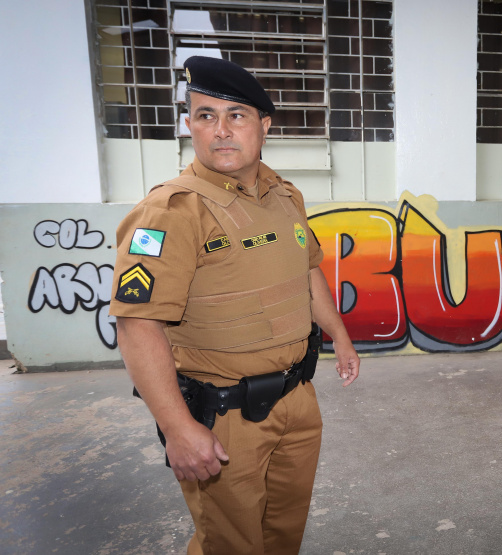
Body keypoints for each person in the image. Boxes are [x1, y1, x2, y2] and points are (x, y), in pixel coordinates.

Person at [110, 55, 360, 555]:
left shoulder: (284, 195)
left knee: (282, 534)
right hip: (223, 416)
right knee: (230, 544)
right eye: (206, 116)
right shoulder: (171, 212)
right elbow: (138, 326)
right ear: (189, 126)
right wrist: (178, 428)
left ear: (263, 126)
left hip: (296, 398)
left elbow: (307, 270)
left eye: (236, 116)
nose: (221, 131)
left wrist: (341, 335)